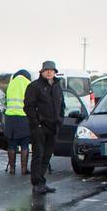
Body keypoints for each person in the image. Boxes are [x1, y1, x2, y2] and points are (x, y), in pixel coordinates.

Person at [25, 60, 64, 195]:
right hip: (40, 128)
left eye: (51, 70)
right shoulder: (34, 86)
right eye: (46, 70)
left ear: (55, 72)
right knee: (38, 155)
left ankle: (42, 181)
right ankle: (36, 183)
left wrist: (60, 119)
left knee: (47, 156)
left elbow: (61, 105)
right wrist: (37, 124)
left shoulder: (57, 86)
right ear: (41, 71)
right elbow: (28, 107)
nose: (49, 72)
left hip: (54, 127)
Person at [2, 69, 32, 175]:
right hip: (24, 118)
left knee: (11, 144)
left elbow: (6, 100)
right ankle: (24, 169)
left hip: (10, 118)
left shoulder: (11, 84)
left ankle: (12, 169)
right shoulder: (28, 84)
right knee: (24, 145)